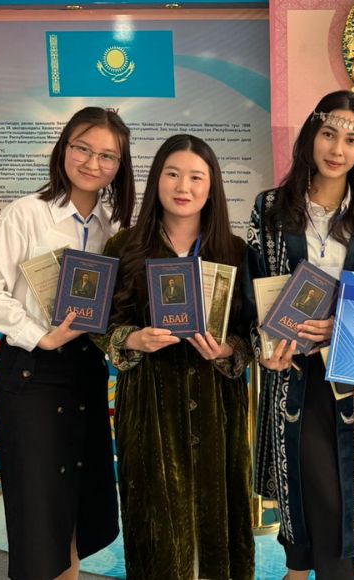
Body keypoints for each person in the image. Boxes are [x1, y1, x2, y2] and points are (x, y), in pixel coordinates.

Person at [0, 106, 135, 580]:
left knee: (78, 501)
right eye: (82, 148)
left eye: (107, 155)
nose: (92, 163)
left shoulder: (113, 225)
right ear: (64, 148)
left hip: (85, 372)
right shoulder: (27, 213)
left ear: (119, 166)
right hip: (31, 375)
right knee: (38, 508)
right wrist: (39, 336)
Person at [243, 90, 354, 579]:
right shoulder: (270, 208)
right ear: (311, 135)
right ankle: (301, 568)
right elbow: (251, 293)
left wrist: (346, 329)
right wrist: (262, 349)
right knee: (307, 491)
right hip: (293, 374)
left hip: (353, 382)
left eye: (351, 140)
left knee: (344, 496)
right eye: (329, 134)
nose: (337, 149)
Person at [93, 134, 254, 580]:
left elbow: (251, 333)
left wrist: (228, 351)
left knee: (218, 530)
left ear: (211, 186)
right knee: (158, 533)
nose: (184, 186)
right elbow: (100, 326)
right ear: (156, 179)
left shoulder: (235, 252)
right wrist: (132, 339)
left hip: (217, 412)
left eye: (196, 177)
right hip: (150, 412)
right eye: (173, 174)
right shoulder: (124, 247)